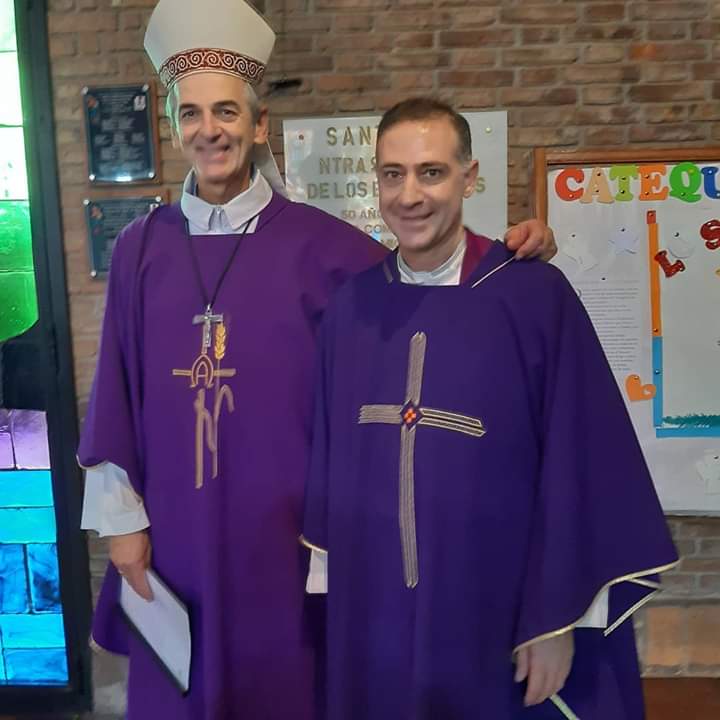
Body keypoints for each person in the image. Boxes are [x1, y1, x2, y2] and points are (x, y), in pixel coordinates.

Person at [77, 2, 556, 717]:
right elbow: (115, 389)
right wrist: (122, 526)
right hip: (172, 536)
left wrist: (511, 256)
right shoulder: (139, 249)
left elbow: (426, 281)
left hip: (290, 541)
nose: (210, 130)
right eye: (191, 114)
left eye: (228, 111)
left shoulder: (328, 248)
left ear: (258, 124)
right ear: (173, 126)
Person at [301, 97, 679, 720]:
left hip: (498, 611)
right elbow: (331, 470)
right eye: (393, 174)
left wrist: (558, 619)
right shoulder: (352, 310)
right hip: (379, 610)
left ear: (469, 177)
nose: (410, 195)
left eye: (431, 172)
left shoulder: (532, 297)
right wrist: (343, 614)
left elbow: (579, 460)